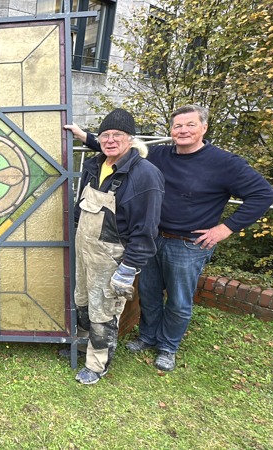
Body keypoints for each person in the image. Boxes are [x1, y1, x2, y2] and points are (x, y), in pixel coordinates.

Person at [66, 104, 273, 372]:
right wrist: (85, 136)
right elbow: (119, 147)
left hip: (188, 243)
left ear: (204, 127)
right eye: (177, 126)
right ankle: (148, 337)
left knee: (178, 299)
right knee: (149, 293)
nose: (183, 130)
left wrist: (225, 229)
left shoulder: (225, 163)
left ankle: (168, 347)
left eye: (190, 125)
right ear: (171, 130)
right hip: (151, 237)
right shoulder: (160, 155)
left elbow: (264, 195)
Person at [65, 109, 164, 384]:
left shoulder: (145, 176)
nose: (110, 140)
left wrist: (128, 268)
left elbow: (146, 230)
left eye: (117, 135)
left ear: (130, 139)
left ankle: (97, 365)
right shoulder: (98, 164)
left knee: (103, 311)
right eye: (105, 135)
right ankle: (83, 346)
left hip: (111, 256)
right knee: (83, 301)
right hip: (86, 251)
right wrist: (83, 135)